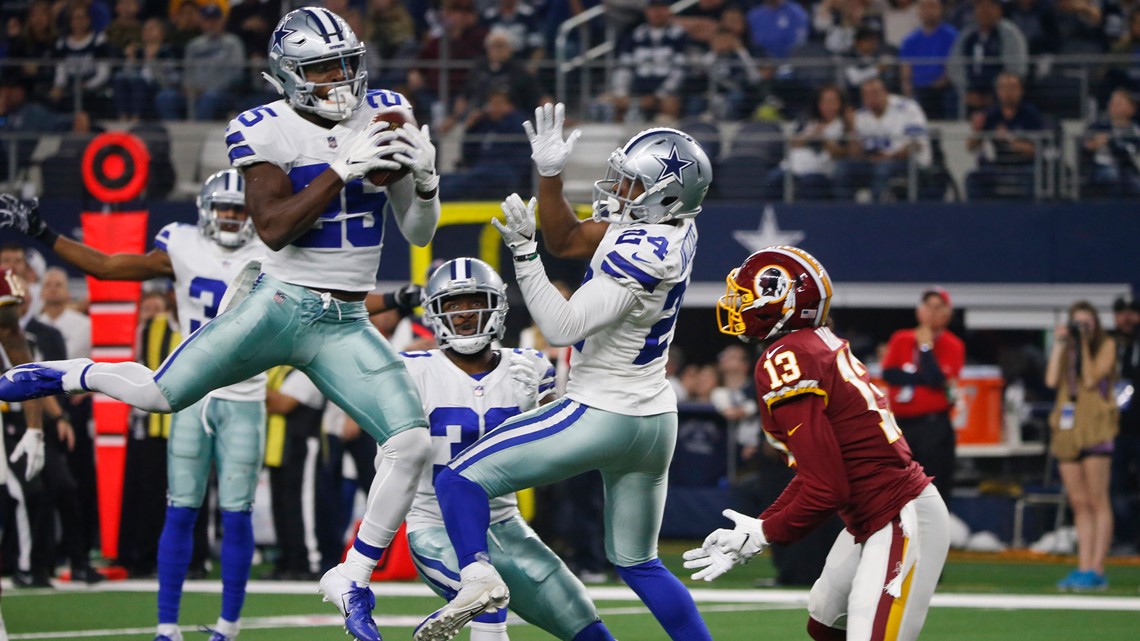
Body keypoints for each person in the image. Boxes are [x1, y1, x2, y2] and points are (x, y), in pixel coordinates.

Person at [0, 8, 439, 641]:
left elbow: (418, 230)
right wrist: (344, 169)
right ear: (289, 76)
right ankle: (70, 371)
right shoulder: (265, 129)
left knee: (412, 443)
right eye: (322, 67)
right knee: (159, 393)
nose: (341, 79)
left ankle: (353, 576)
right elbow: (275, 227)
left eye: (346, 63)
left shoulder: (386, 111)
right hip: (281, 304)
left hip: (343, 319)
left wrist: (425, 182)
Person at [416, 104, 714, 641]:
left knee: (459, 480)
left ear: (664, 197)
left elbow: (561, 325)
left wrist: (523, 255)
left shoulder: (644, 249)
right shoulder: (676, 227)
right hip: (654, 419)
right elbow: (570, 241)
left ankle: (478, 578)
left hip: (604, 410)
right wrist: (549, 177)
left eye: (632, 185)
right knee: (638, 562)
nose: (619, 190)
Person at [0, 172, 267, 640]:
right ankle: (167, 625)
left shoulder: (274, 250)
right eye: (223, 207)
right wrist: (43, 233)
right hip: (191, 390)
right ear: (205, 210)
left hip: (246, 394)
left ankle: (229, 625)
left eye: (238, 208)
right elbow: (106, 266)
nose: (229, 216)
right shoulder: (182, 244)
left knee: (236, 513)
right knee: (180, 509)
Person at [682, 245, 949, 641]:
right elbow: (818, 472)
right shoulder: (810, 344)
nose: (737, 305)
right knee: (825, 621)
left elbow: (827, 488)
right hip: (872, 516)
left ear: (783, 301)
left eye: (747, 295)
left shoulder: (787, 357)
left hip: (898, 515)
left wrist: (764, 534)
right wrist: (761, 524)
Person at [406, 257, 617, 641]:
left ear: (497, 306)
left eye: (474, 301)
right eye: (452, 305)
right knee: (487, 599)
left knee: (585, 622)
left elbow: (561, 443)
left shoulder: (531, 367)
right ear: (435, 312)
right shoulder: (411, 371)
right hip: (435, 526)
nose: (465, 314)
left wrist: (548, 406)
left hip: (506, 525)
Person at [1046, 301, 1118, 591]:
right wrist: (1061, 344)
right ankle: (1083, 565)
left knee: (1097, 499)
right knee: (1078, 502)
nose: (1081, 329)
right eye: (1077, 323)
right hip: (1068, 430)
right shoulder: (1068, 350)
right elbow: (1051, 379)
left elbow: (1090, 379)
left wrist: (1085, 344)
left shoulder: (1107, 346)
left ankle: (1097, 567)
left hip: (1095, 429)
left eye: (1086, 324)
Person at [880, 288, 964, 507]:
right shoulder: (901, 338)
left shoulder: (953, 345)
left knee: (932, 490)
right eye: (928, 306)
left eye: (938, 308)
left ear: (947, 314)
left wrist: (926, 347)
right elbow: (890, 374)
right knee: (898, 486)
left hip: (933, 426)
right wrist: (921, 378)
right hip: (901, 425)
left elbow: (936, 379)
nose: (932, 313)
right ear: (919, 311)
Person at [834, 77, 931, 202]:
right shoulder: (860, 116)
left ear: (885, 93)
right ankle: (844, 215)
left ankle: (878, 214)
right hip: (873, 164)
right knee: (843, 168)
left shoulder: (908, 108)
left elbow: (916, 145)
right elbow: (855, 155)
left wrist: (889, 157)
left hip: (909, 163)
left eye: (875, 93)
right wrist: (851, 128)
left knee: (883, 169)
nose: (871, 98)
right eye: (866, 95)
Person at [965, 71, 1045, 200]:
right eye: (1004, 88)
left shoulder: (1030, 114)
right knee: (972, 178)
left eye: (1013, 88)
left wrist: (1009, 138)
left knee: (1033, 177)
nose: (1008, 92)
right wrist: (977, 131)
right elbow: (970, 147)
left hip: (1024, 166)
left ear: (1021, 90)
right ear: (997, 91)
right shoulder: (992, 114)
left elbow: (1036, 150)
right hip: (999, 165)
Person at [1110, 295, 1140, 553]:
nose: (1127, 318)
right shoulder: (1109, 345)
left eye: (1132, 312)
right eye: (1122, 312)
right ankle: (1124, 538)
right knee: (1114, 489)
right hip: (1114, 431)